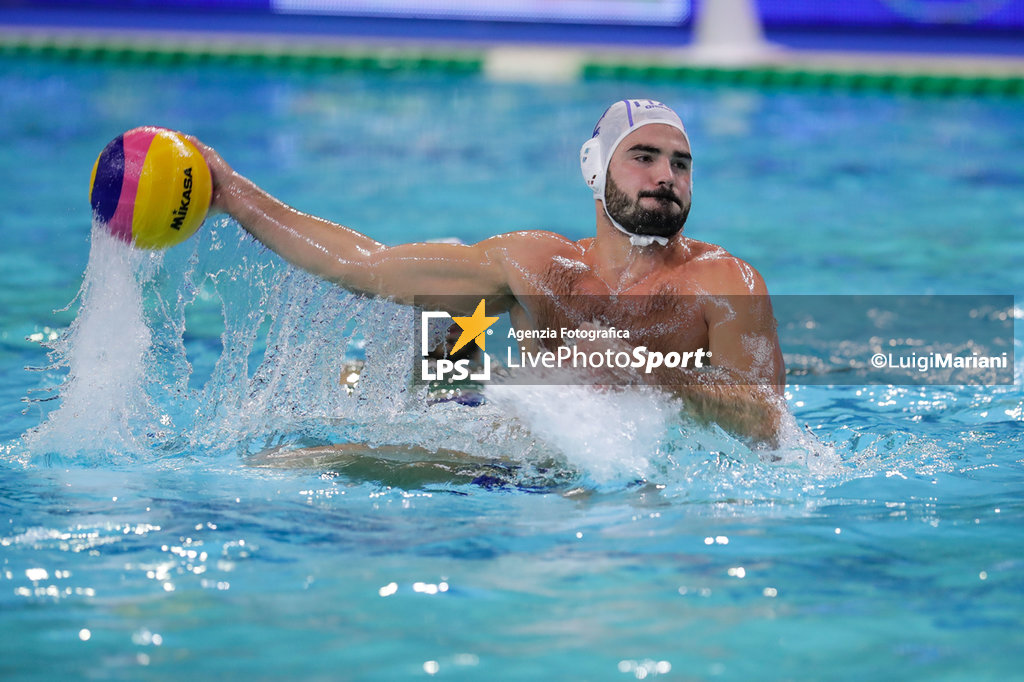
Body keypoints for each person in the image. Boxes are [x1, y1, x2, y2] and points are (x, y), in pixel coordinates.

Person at [188, 98, 786, 443]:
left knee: (316, 463)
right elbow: (362, 266)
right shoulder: (538, 265)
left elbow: (768, 422)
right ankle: (386, 379)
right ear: (596, 172)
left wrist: (649, 373)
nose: (666, 177)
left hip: (607, 470)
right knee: (439, 313)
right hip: (511, 437)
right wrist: (234, 194)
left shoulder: (724, 281)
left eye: (681, 164)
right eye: (644, 157)